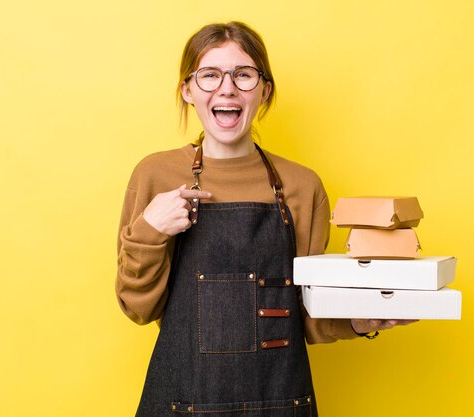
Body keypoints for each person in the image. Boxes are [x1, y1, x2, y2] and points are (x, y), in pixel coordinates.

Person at [116, 21, 415, 417]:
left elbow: (307, 316)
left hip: (279, 404)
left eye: (243, 75)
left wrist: (363, 320)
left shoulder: (302, 186)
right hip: (181, 403)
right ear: (188, 90)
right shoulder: (155, 176)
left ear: (263, 90)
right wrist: (150, 230)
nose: (227, 88)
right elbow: (138, 308)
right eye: (209, 75)